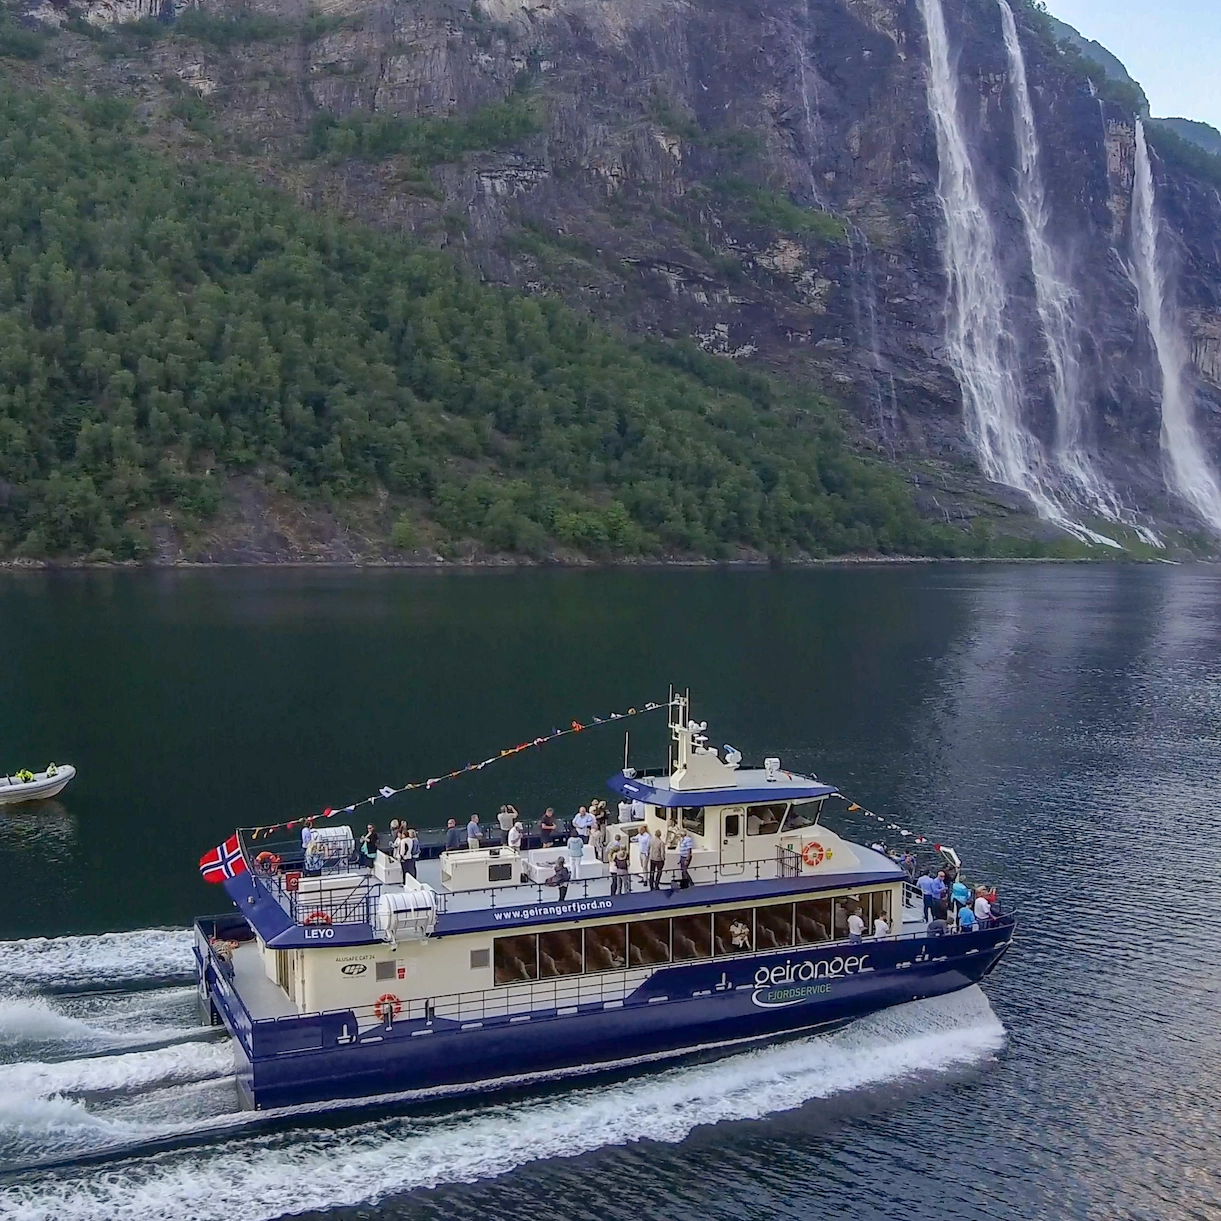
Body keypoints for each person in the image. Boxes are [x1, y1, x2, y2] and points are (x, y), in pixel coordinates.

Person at [647, 826, 667, 890]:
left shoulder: (651, 841)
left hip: (652, 858)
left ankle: (651, 884)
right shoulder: (661, 843)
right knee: (659, 872)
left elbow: (648, 848)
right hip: (658, 859)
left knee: (652, 871)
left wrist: (649, 855)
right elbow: (662, 852)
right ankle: (656, 884)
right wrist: (663, 858)